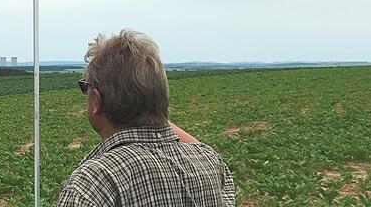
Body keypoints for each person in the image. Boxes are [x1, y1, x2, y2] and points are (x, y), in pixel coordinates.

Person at [56, 29, 236, 207]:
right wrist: (148, 104)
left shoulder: (93, 183)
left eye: (85, 88)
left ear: (96, 100)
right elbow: (206, 154)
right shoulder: (208, 163)